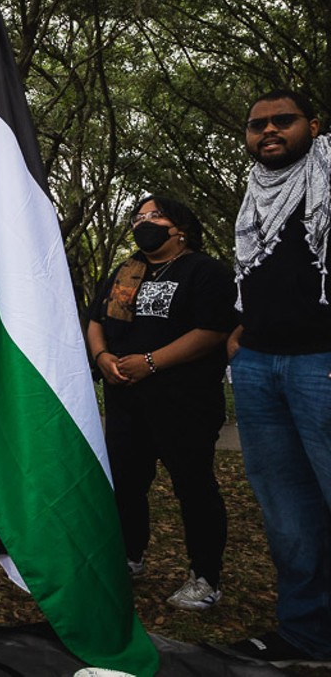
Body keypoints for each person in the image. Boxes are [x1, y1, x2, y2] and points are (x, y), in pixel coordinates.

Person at [85, 195, 234, 611]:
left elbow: (213, 330)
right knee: (126, 485)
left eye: (155, 215)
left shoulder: (204, 272)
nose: (143, 222)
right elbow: (97, 321)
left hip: (184, 403)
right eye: (138, 217)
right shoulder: (125, 271)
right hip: (126, 401)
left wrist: (151, 363)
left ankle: (205, 578)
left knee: (194, 487)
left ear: (180, 226)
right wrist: (102, 357)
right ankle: (128, 558)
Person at [226, 90, 331, 666]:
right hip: (261, 366)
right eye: (257, 124)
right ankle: (308, 636)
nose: (268, 130)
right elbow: (260, 268)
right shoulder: (255, 193)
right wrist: (243, 330)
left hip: (322, 363)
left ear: (311, 126)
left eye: (282, 121)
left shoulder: (328, 171)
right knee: (287, 512)